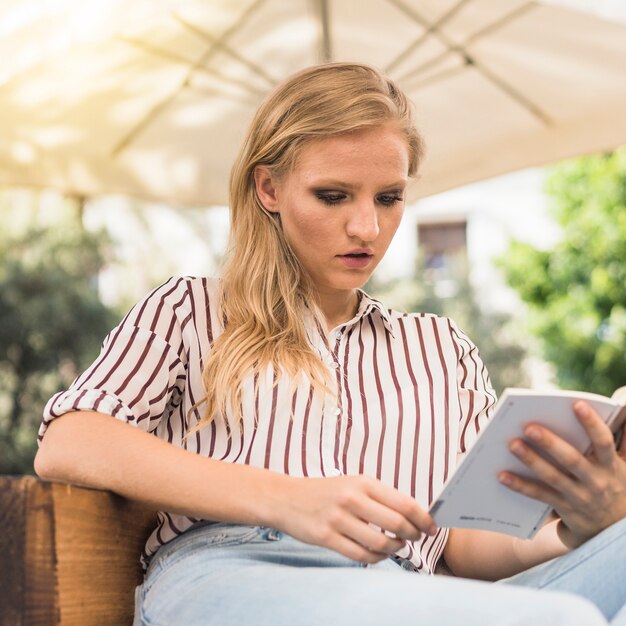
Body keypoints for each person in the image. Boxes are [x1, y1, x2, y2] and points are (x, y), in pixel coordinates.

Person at [34, 63, 626, 626]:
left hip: (404, 589)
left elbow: (464, 543)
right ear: (268, 187)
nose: (366, 228)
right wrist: (286, 500)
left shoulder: (441, 349)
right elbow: (71, 439)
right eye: (333, 196)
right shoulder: (192, 309)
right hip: (233, 572)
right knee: (565, 620)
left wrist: (574, 529)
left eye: (388, 198)